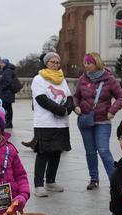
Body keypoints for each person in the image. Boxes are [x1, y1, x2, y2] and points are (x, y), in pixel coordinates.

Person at [73, 52, 122, 190]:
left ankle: (114, 180)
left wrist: (112, 111)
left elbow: (120, 96)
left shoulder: (110, 79)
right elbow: (76, 97)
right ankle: (94, 179)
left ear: (96, 63)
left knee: (103, 150)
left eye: (88, 63)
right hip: (85, 121)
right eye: (84, 63)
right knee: (90, 152)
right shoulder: (82, 79)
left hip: (103, 121)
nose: (86, 66)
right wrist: (76, 106)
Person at [30, 52, 73, 197]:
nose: (55, 64)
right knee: (43, 153)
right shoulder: (39, 79)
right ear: (46, 63)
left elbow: (69, 97)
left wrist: (69, 108)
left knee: (56, 151)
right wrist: (60, 110)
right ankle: (38, 184)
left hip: (61, 123)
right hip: (45, 122)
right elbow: (41, 99)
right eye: (52, 62)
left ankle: (50, 181)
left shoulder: (62, 79)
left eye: (57, 62)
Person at [0, 58, 16, 129]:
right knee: (6, 108)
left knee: (7, 108)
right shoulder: (4, 71)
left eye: (2, 63)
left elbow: (8, 81)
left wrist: (2, 87)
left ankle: (9, 123)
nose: (1, 64)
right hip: (5, 93)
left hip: (7, 93)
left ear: (5, 64)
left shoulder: (7, 71)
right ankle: (7, 122)